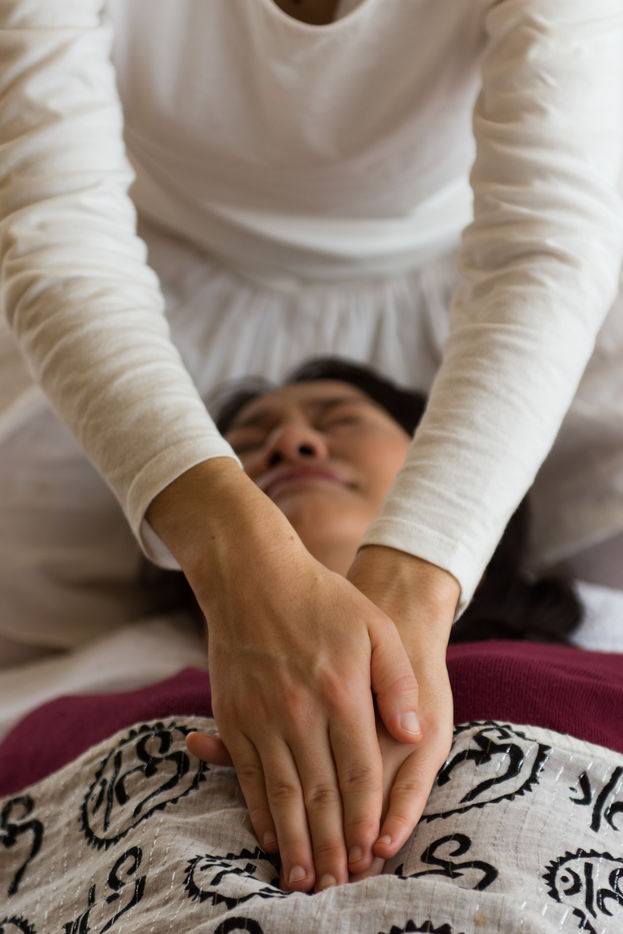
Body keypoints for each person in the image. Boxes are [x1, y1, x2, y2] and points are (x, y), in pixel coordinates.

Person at [1, 0, 622, 901]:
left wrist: (410, 586)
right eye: (249, 444)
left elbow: (548, 244)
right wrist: (235, 556)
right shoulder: (78, 708)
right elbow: (59, 244)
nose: (291, 440)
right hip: (141, 278)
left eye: (337, 418)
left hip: (481, 284)